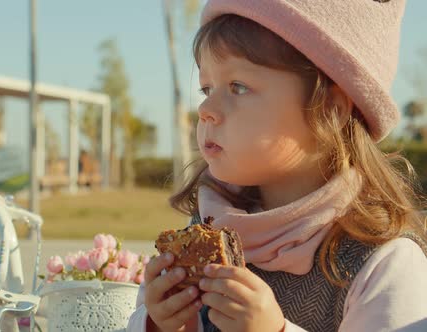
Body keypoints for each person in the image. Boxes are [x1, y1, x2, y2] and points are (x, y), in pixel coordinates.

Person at [127, 0, 427, 331]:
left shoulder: (384, 264)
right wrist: (159, 322)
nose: (206, 108)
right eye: (206, 88)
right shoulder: (202, 233)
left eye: (238, 87)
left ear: (329, 109)